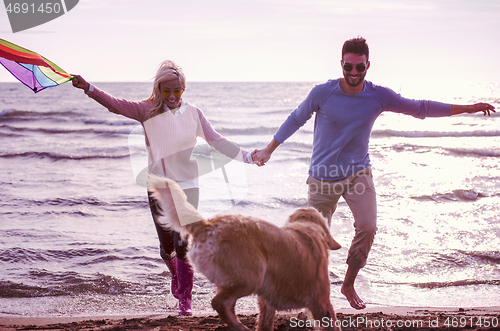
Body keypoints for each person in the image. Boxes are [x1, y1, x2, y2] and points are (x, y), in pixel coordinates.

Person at [252, 37, 495, 310]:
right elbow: (296, 118)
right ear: (341, 64)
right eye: (348, 67)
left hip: (358, 174)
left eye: (360, 68)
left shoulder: (378, 96)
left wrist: (468, 108)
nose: (354, 73)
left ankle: (348, 283)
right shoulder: (323, 93)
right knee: (312, 241)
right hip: (322, 177)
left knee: (367, 227)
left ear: (368, 65)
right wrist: (269, 149)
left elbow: (420, 107)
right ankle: (289, 288)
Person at [72, 60, 255, 316]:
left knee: (183, 243)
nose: (171, 96)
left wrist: (248, 156)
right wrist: (89, 88)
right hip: (158, 187)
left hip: (188, 186)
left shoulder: (194, 113)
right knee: (166, 247)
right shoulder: (146, 111)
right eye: (166, 90)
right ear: (158, 89)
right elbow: (116, 105)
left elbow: (217, 141)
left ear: (183, 89)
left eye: (177, 90)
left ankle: (185, 301)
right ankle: (175, 275)